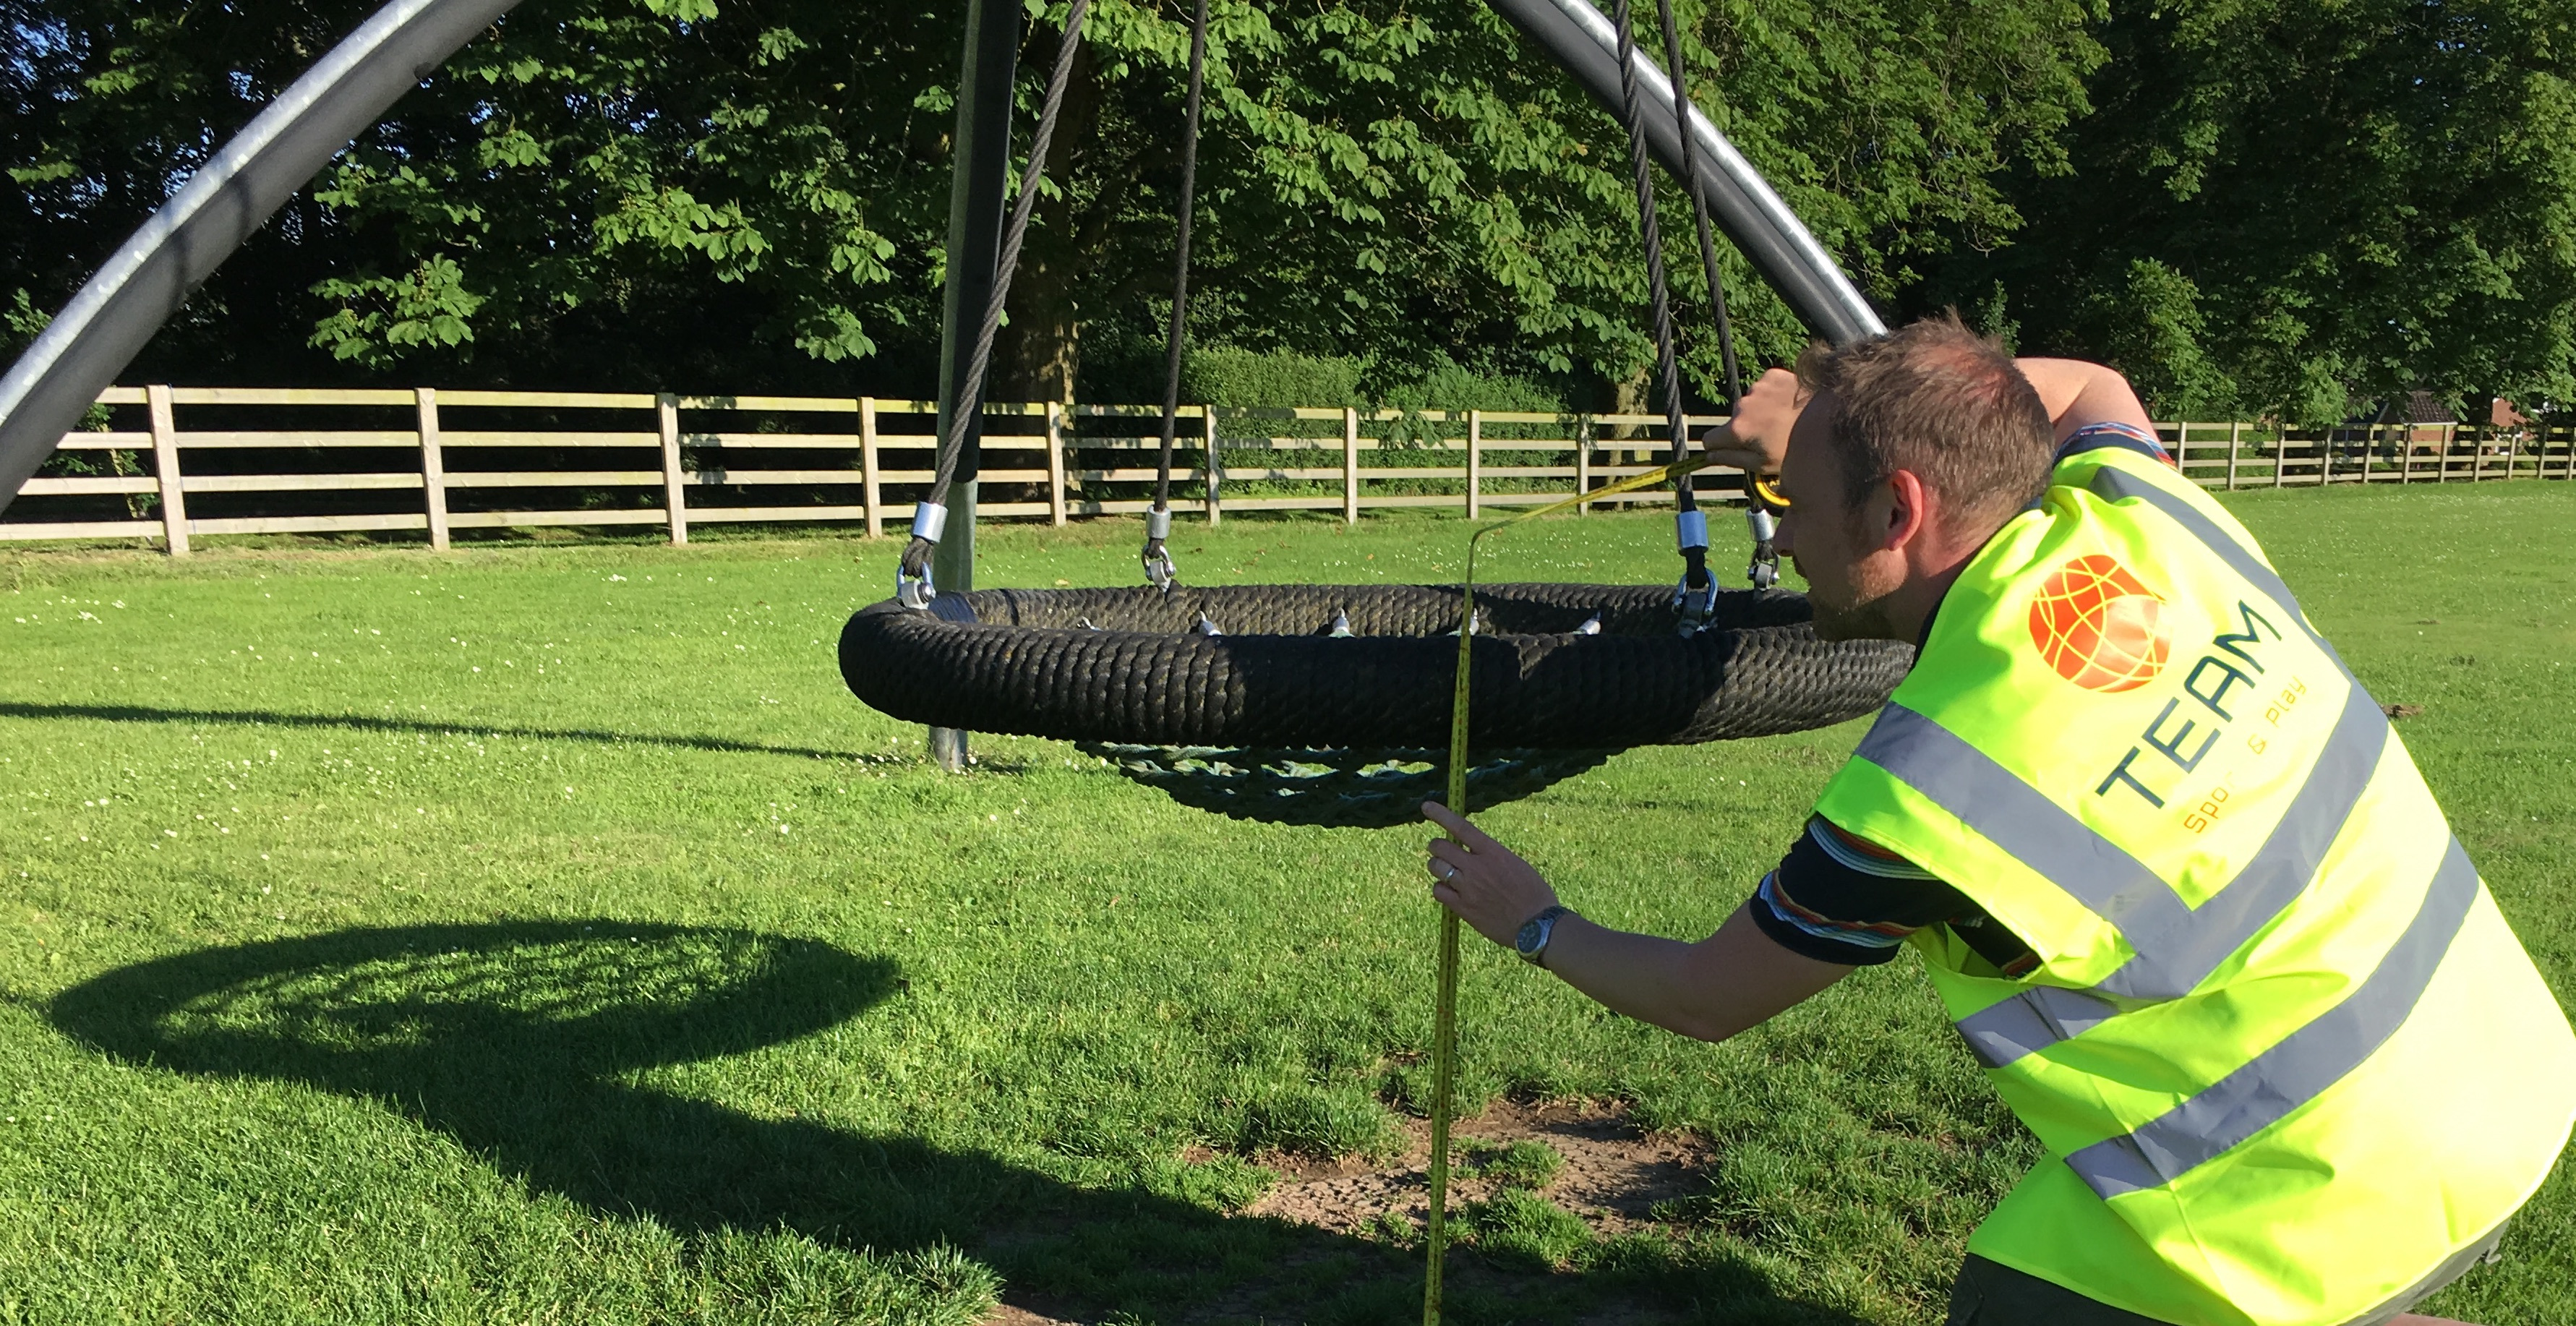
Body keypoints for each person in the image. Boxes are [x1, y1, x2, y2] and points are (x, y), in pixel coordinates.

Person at [1420, 315, 2576, 1326]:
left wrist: (1533, 921)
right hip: (2506, 1076)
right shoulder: (2139, 521)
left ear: (1896, 506)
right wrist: (1855, 414)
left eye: (1796, 504)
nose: (1777, 540)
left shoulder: (1932, 792)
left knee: (2010, 1303)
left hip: (2313, 1191)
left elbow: (1705, 996)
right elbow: (2079, 393)